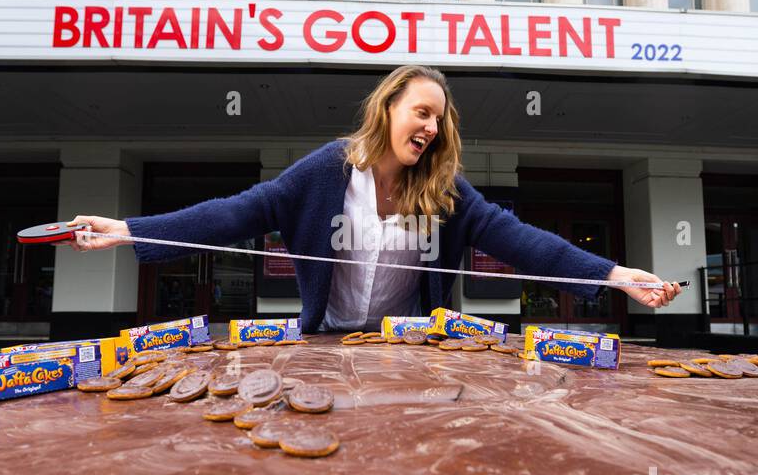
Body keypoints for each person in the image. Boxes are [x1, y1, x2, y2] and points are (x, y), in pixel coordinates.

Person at [66, 64, 681, 332]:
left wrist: (613, 275)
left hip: (408, 349)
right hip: (325, 343)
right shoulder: (322, 174)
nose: (432, 129)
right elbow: (235, 213)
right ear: (387, 108)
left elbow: (521, 242)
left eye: (440, 120)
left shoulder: (445, 194)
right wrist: (128, 229)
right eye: (422, 112)